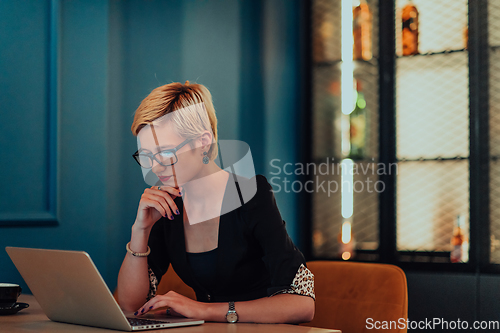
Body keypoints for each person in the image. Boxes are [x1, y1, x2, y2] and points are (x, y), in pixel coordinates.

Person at [116, 81, 315, 324]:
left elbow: (303, 303)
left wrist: (203, 310)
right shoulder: (168, 204)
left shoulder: (251, 193)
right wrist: (141, 229)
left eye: (166, 153)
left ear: (203, 141)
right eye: (146, 156)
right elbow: (129, 306)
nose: (155, 166)